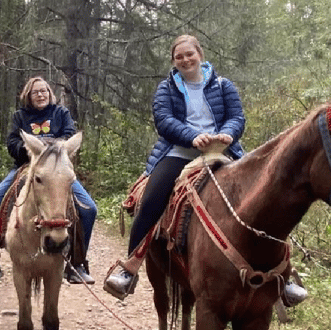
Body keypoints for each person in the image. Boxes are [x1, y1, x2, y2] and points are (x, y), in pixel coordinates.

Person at [103, 35, 249, 299]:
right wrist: (192, 137)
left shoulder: (223, 85)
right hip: (179, 153)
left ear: (200, 54)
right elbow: (164, 120)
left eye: (189, 54)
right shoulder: (166, 88)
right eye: (179, 56)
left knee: (261, 191)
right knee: (150, 203)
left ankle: (281, 273)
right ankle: (129, 268)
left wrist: (227, 133)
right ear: (173, 61)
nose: (185, 60)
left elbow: (236, 117)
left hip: (222, 151)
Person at [0, 76, 98, 285]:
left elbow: (68, 136)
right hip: (25, 167)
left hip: (57, 171)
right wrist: (31, 150)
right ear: (28, 96)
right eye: (35, 92)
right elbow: (12, 143)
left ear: (50, 93)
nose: (40, 94)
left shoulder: (61, 113)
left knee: (89, 209)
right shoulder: (20, 116)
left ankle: (78, 263)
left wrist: (46, 149)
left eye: (44, 91)